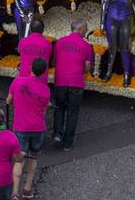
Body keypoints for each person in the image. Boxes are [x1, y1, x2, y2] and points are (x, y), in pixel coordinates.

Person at [7, 57, 50, 200]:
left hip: (21, 126)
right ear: (44, 72)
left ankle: (14, 193)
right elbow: (44, 111)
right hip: (38, 128)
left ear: (31, 68)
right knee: (33, 156)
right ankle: (27, 188)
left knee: (19, 159)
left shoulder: (18, 81)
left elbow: (8, 101)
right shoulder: (45, 90)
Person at [52, 20, 94, 151]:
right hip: (76, 82)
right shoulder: (86, 46)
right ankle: (67, 143)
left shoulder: (59, 42)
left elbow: (55, 61)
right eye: (85, 28)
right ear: (80, 29)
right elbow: (87, 67)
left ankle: (57, 133)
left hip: (60, 81)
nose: (86, 31)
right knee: (73, 112)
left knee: (59, 108)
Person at [17, 17, 52, 81]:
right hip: (40, 79)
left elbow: (19, 52)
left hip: (24, 78)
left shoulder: (23, 41)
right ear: (43, 30)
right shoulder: (47, 44)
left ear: (30, 29)